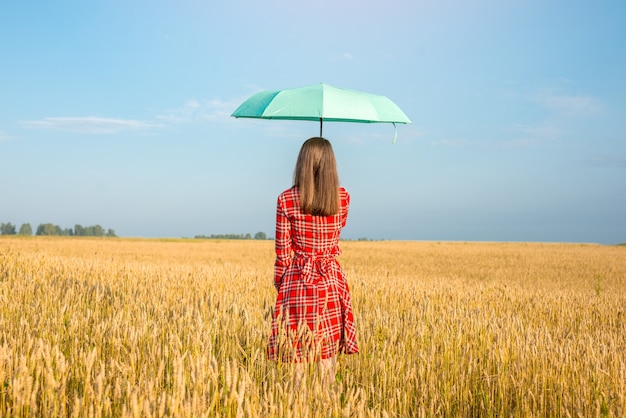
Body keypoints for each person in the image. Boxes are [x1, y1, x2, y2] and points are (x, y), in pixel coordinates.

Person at [267, 137, 358, 385]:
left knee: (297, 350)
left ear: (302, 163)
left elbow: (282, 252)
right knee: (327, 350)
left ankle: (297, 405)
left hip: (298, 279)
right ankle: (326, 404)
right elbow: (339, 229)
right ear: (331, 164)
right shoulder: (343, 198)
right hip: (330, 279)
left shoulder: (286, 200)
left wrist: (281, 284)